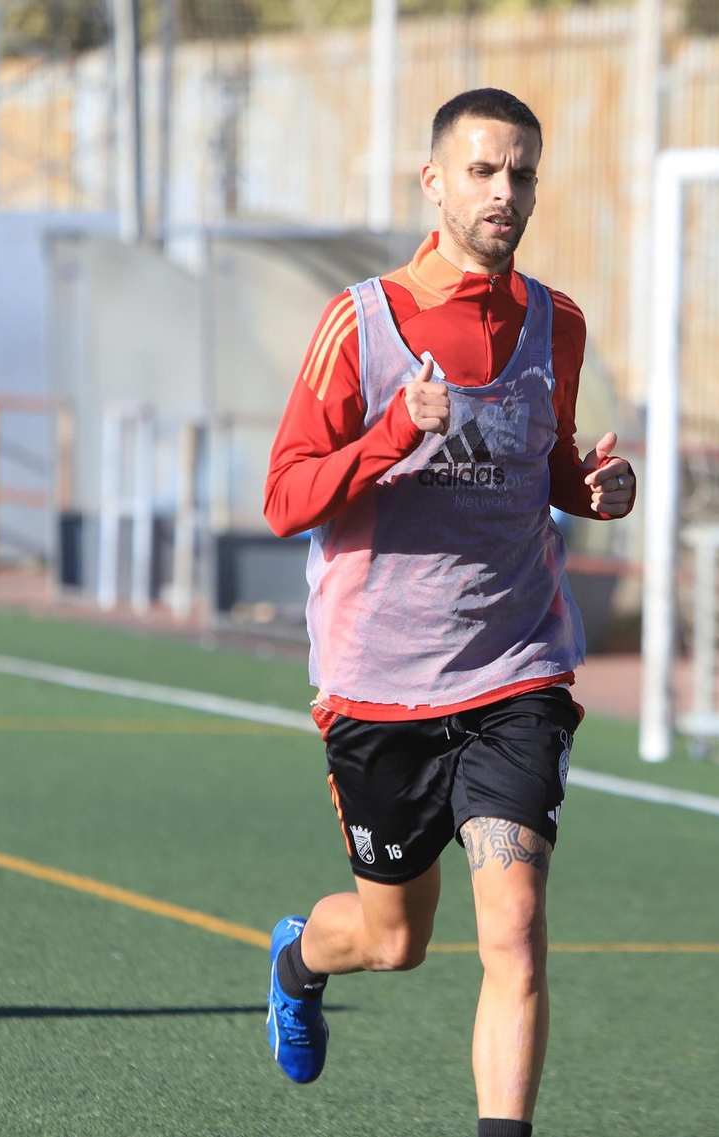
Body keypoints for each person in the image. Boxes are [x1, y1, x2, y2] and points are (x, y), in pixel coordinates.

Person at [260, 88, 635, 1137]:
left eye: (520, 173)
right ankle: (297, 956)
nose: (503, 193)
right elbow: (286, 497)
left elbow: (544, 458)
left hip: (514, 667)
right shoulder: (362, 321)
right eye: (481, 171)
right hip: (378, 685)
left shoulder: (556, 323)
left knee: (513, 928)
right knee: (394, 943)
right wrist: (391, 433)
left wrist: (594, 486)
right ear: (434, 183)